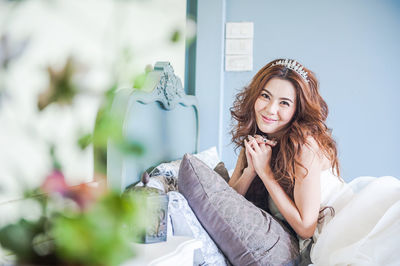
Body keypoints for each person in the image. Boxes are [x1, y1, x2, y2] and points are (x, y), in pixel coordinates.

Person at [228, 58, 400, 265]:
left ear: (298, 109)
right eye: (265, 96)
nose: (270, 109)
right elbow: (226, 203)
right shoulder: (256, 145)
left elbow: (306, 227)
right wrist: (250, 171)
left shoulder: (304, 145)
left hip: (347, 226)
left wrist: (265, 173)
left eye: (284, 102)